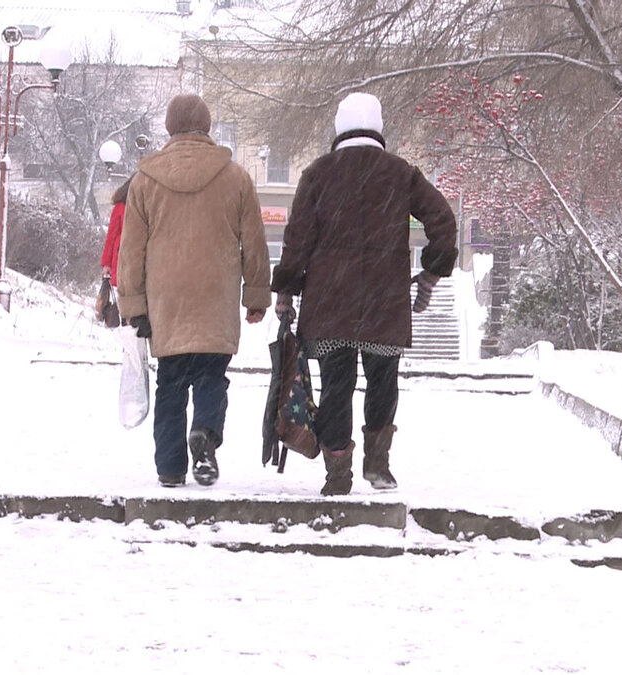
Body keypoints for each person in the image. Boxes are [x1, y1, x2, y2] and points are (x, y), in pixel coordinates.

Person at [271, 92, 458, 496]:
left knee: (336, 387)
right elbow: (443, 220)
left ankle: (338, 473)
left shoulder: (318, 174)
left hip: (330, 304)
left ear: (339, 127)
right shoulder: (401, 173)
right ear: (378, 127)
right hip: (384, 304)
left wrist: (286, 289)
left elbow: (297, 238)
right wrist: (432, 270)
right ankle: (378, 465)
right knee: (383, 382)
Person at [117, 93, 270, 488]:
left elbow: (131, 251)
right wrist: (256, 294)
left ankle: (170, 467)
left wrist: (132, 304)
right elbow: (254, 242)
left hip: (166, 302)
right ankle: (204, 431)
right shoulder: (235, 177)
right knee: (210, 376)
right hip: (215, 297)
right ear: (207, 125)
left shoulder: (145, 181)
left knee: (170, 383)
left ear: (170, 126)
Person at [100, 177, 132, 286]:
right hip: (122, 257)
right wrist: (106, 263)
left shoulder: (120, 207)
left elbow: (111, 237)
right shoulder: (121, 207)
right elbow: (111, 237)